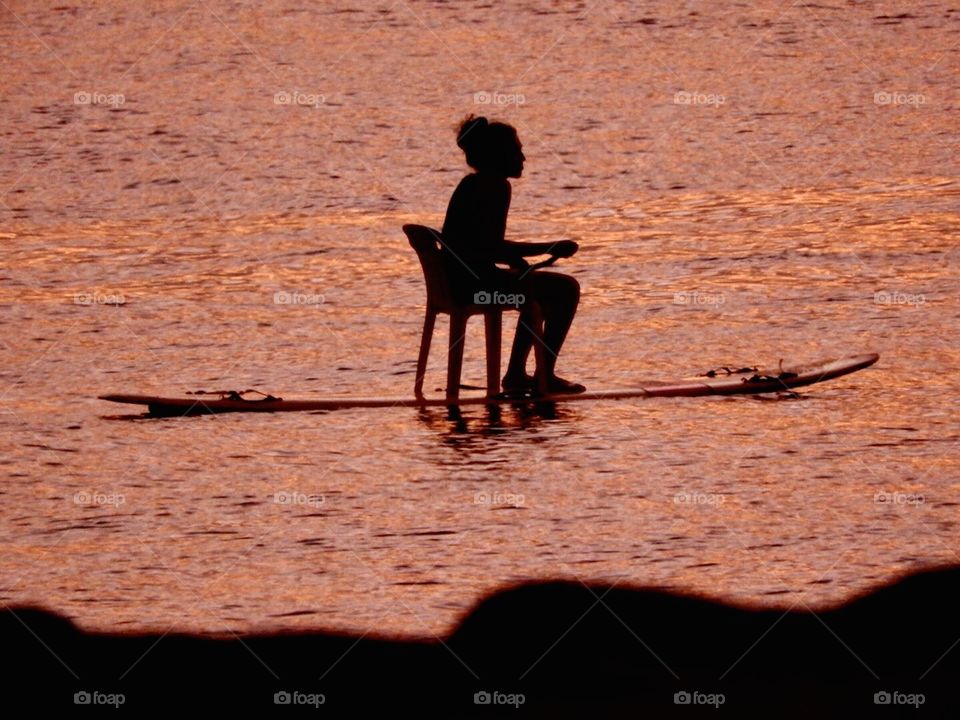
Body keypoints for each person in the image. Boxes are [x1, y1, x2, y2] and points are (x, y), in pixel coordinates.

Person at [441, 115, 584, 395]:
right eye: (517, 150)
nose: (523, 158)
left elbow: (482, 244)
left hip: (459, 283)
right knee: (566, 289)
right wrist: (550, 247)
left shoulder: (473, 184)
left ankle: (518, 374)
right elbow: (491, 247)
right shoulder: (493, 187)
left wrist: (515, 261)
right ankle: (543, 374)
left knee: (536, 289)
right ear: (498, 155)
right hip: (475, 291)